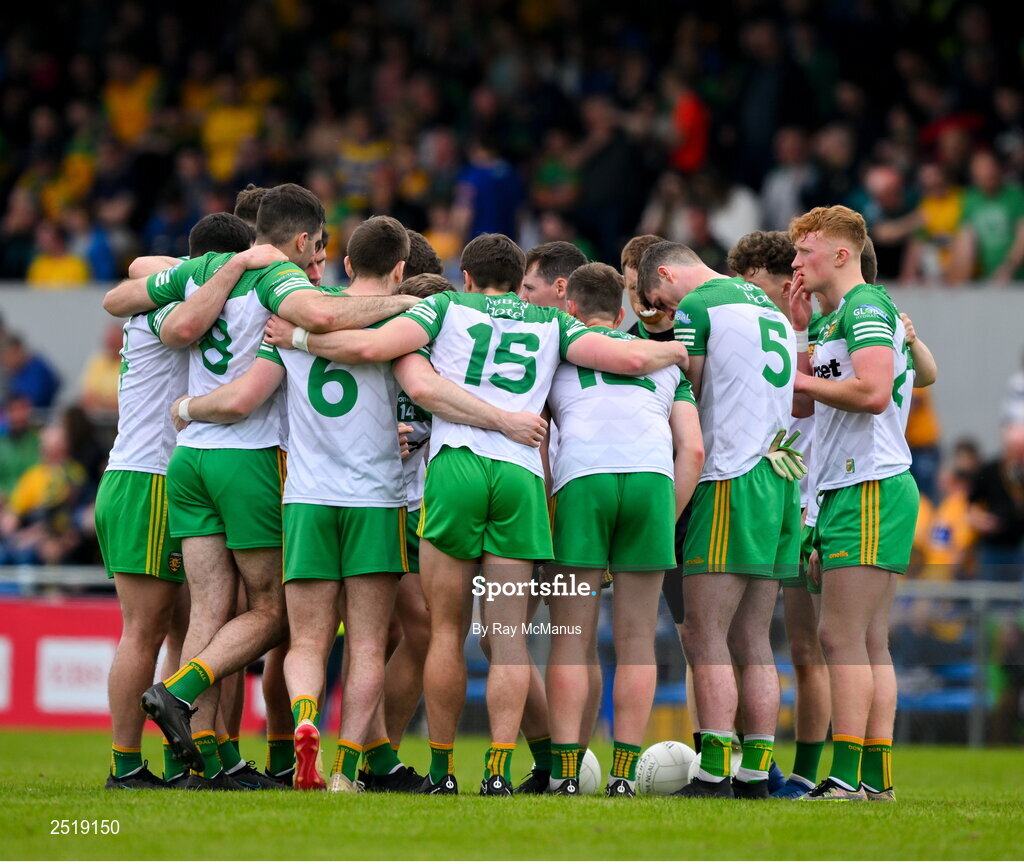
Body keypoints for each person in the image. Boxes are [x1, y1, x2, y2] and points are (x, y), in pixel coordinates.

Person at [263, 232, 688, 795]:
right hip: (519, 475)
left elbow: (370, 349)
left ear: (465, 277)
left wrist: (296, 337)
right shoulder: (554, 323)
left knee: (445, 631)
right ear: (519, 283)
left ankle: (441, 774)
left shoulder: (444, 307)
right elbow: (628, 354)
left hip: (457, 466)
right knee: (509, 635)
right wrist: (676, 349)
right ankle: (497, 774)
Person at [112, 184, 418, 783]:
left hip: (189, 460)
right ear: (302, 240)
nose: (317, 261)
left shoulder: (203, 267)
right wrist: (404, 304)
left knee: (209, 608)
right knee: (274, 612)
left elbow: (122, 291)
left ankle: (201, 754)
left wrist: (187, 410)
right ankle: (185, 696)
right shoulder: (280, 278)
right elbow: (324, 318)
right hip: (249, 457)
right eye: (317, 247)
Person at [98, 213, 279, 790]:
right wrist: (232, 270)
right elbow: (136, 282)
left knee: (196, 625)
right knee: (145, 629)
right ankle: (126, 766)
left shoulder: (174, 290)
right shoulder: (180, 307)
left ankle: (198, 757)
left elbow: (135, 274)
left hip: (159, 474)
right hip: (147, 476)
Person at [638, 240, 801, 799]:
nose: (661, 310)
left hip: (733, 476)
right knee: (754, 638)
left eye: (657, 299)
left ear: (665, 274)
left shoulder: (698, 307)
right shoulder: (765, 302)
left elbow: (692, 390)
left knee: (705, 636)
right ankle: (755, 773)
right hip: (782, 475)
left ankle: (712, 774)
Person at [544, 262, 703, 796]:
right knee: (636, 641)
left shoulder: (556, 352)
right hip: (652, 482)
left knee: (572, 638)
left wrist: (549, 509)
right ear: (620, 313)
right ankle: (622, 778)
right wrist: (667, 515)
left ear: (571, 309)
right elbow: (694, 450)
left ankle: (566, 776)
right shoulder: (665, 365)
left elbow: (539, 440)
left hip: (582, 480)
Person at [789, 205, 921, 801]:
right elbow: (804, 409)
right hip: (851, 485)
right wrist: (798, 331)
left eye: (806, 252)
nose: (796, 262)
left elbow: (870, 393)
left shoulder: (866, 307)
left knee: (841, 638)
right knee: (866, 641)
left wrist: (797, 379)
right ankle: (873, 780)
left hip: (869, 483)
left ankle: (844, 777)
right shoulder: (835, 316)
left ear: (842, 255)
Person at [726, 229, 828, 797]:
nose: (750, 295)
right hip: (768, 492)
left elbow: (808, 397)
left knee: (809, 648)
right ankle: (749, 764)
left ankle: (808, 775)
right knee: (739, 638)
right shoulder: (753, 333)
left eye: (757, 284)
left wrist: (798, 329)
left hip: (806, 500)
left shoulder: (813, 336)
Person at [968, 423, 1024, 583]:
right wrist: (980, 521)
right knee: (992, 596)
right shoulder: (990, 470)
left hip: (1018, 545)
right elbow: (971, 505)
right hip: (993, 546)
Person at [2, 336, 60, 410]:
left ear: (17, 351)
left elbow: (33, 399)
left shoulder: (37, 369)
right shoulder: (17, 372)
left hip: (38, 415)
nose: (6, 364)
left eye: (7, 358)